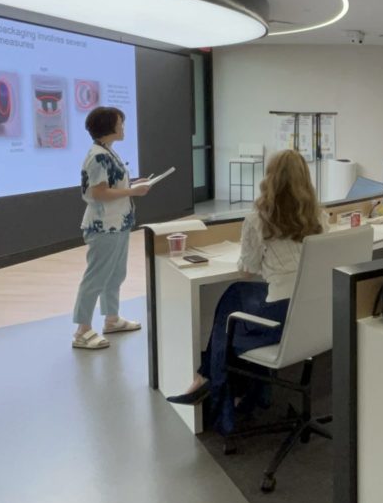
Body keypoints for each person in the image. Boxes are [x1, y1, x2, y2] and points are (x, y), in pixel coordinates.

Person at [165, 150, 327, 430]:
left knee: (235, 297)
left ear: (270, 179)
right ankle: (238, 393)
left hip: (280, 320)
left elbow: (247, 270)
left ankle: (209, 381)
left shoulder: (257, 219)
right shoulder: (319, 217)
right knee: (237, 304)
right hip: (311, 318)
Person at [72, 106, 149, 350]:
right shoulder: (97, 156)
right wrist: (132, 191)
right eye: (120, 123)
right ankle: (82, 330)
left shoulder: (107, 151)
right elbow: (99, 193)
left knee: (115, 274)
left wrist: (133, 185)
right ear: (109, 127)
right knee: (96, 277)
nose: (123, 127)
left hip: (118, 223)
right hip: (103, 225)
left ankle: (112, 318)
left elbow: (110, 185)